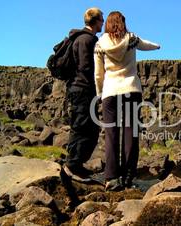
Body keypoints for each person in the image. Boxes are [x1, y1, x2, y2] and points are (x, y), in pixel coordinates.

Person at [94, 11, 160, 190]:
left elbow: (98, 74)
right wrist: (158, 46)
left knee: (111, 134)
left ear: (107, 24)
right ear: (123, 23)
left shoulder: (100, 44)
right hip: (131, 89)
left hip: (110, 92)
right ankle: (128, 176)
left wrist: (100, 93)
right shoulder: (131, 39)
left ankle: (111, 178)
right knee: (131, 132)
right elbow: (146, 45)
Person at [63, 7, 104, 181]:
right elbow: (87, 68)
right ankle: (72, 167)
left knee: (90, 128)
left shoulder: (78, 38)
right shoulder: (88, 40)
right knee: (82, 127)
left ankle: (77, 164)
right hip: (84, 90)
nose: (103, 22)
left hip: (77, 89)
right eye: (101, 19)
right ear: (95, 21)